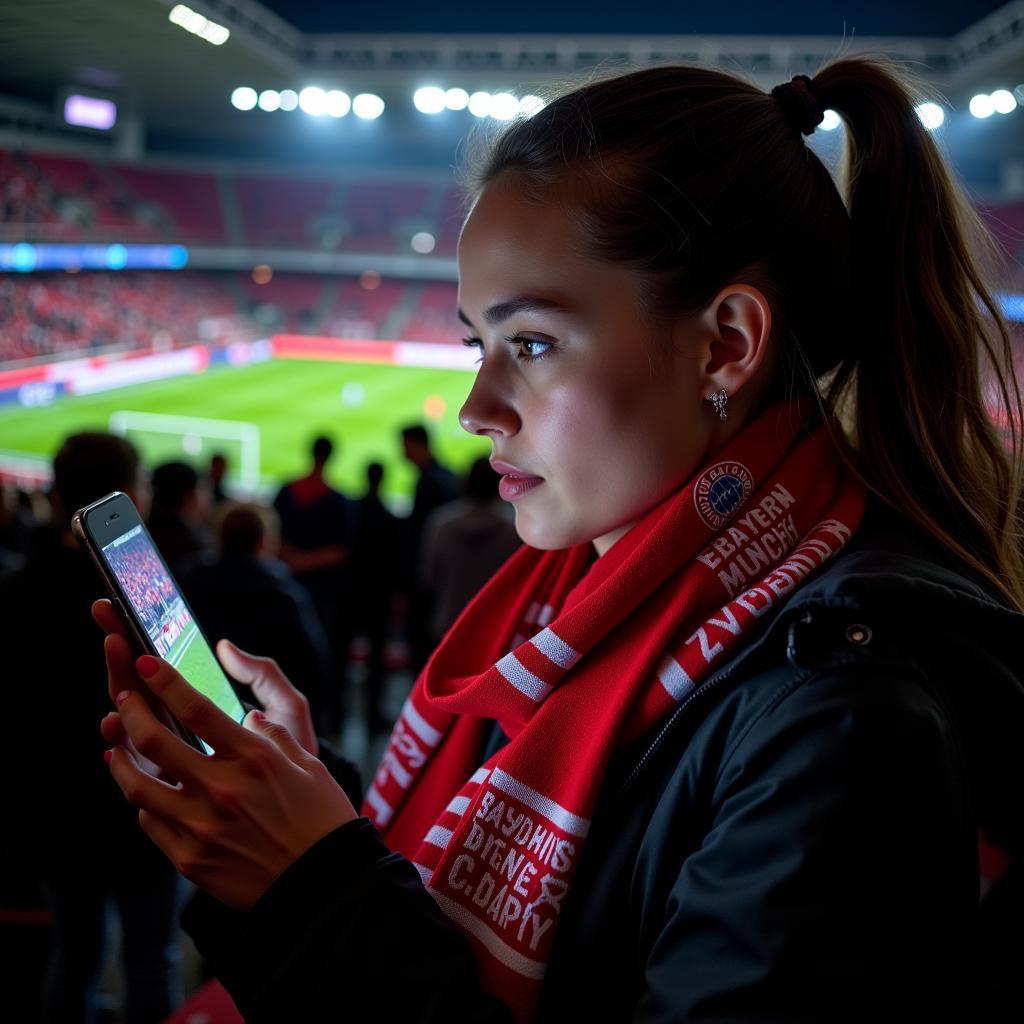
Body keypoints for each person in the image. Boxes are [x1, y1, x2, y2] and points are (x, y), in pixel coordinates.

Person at [94, 59, 1024, 1022]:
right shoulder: (575, 605)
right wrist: (298, 812)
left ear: (727, 345)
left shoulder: (845, 720)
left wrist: (311, 887)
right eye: (475, 345)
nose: (475, 409)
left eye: (529, 343)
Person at [1, 433, 184, 1023]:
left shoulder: (14, 590)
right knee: (151, 961)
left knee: (73, 956)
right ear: (130, 494)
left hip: (52, 814)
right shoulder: (151, 595)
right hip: (143, 813)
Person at [181, 502, 335, 731]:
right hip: (266, 721)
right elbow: (315, 668)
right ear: (265, 541)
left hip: (190, 708)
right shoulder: (286, 595)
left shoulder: (187, 578)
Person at [273, 435, 351, 729]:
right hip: (322, 593)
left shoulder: (286, 491)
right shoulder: (338, 500)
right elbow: (341, 551)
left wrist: (294, 559)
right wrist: (308, 561)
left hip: (288, 587)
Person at [419, 456, 521, 648]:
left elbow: (428, 577)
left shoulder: (441, 524)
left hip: (449, 620)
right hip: (496, 626)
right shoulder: (515, 529)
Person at [349, 462, 402, 734]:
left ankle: (334, 713)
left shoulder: (350, 511)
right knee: (376, 662)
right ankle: (372, 718)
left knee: (340, 655)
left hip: (350, 594)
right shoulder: (389, 518)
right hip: (377, 597)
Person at [400, 423, 458, 671]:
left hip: (429, 584)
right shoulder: (445, 476)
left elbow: (420, 541)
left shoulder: (429, 482)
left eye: (404, 446)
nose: (402, 454)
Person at [147, 460, 213, 578]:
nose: (209, 497)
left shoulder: (145, 529)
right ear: (190, 496)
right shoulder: (196, 547)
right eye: (203, 489)